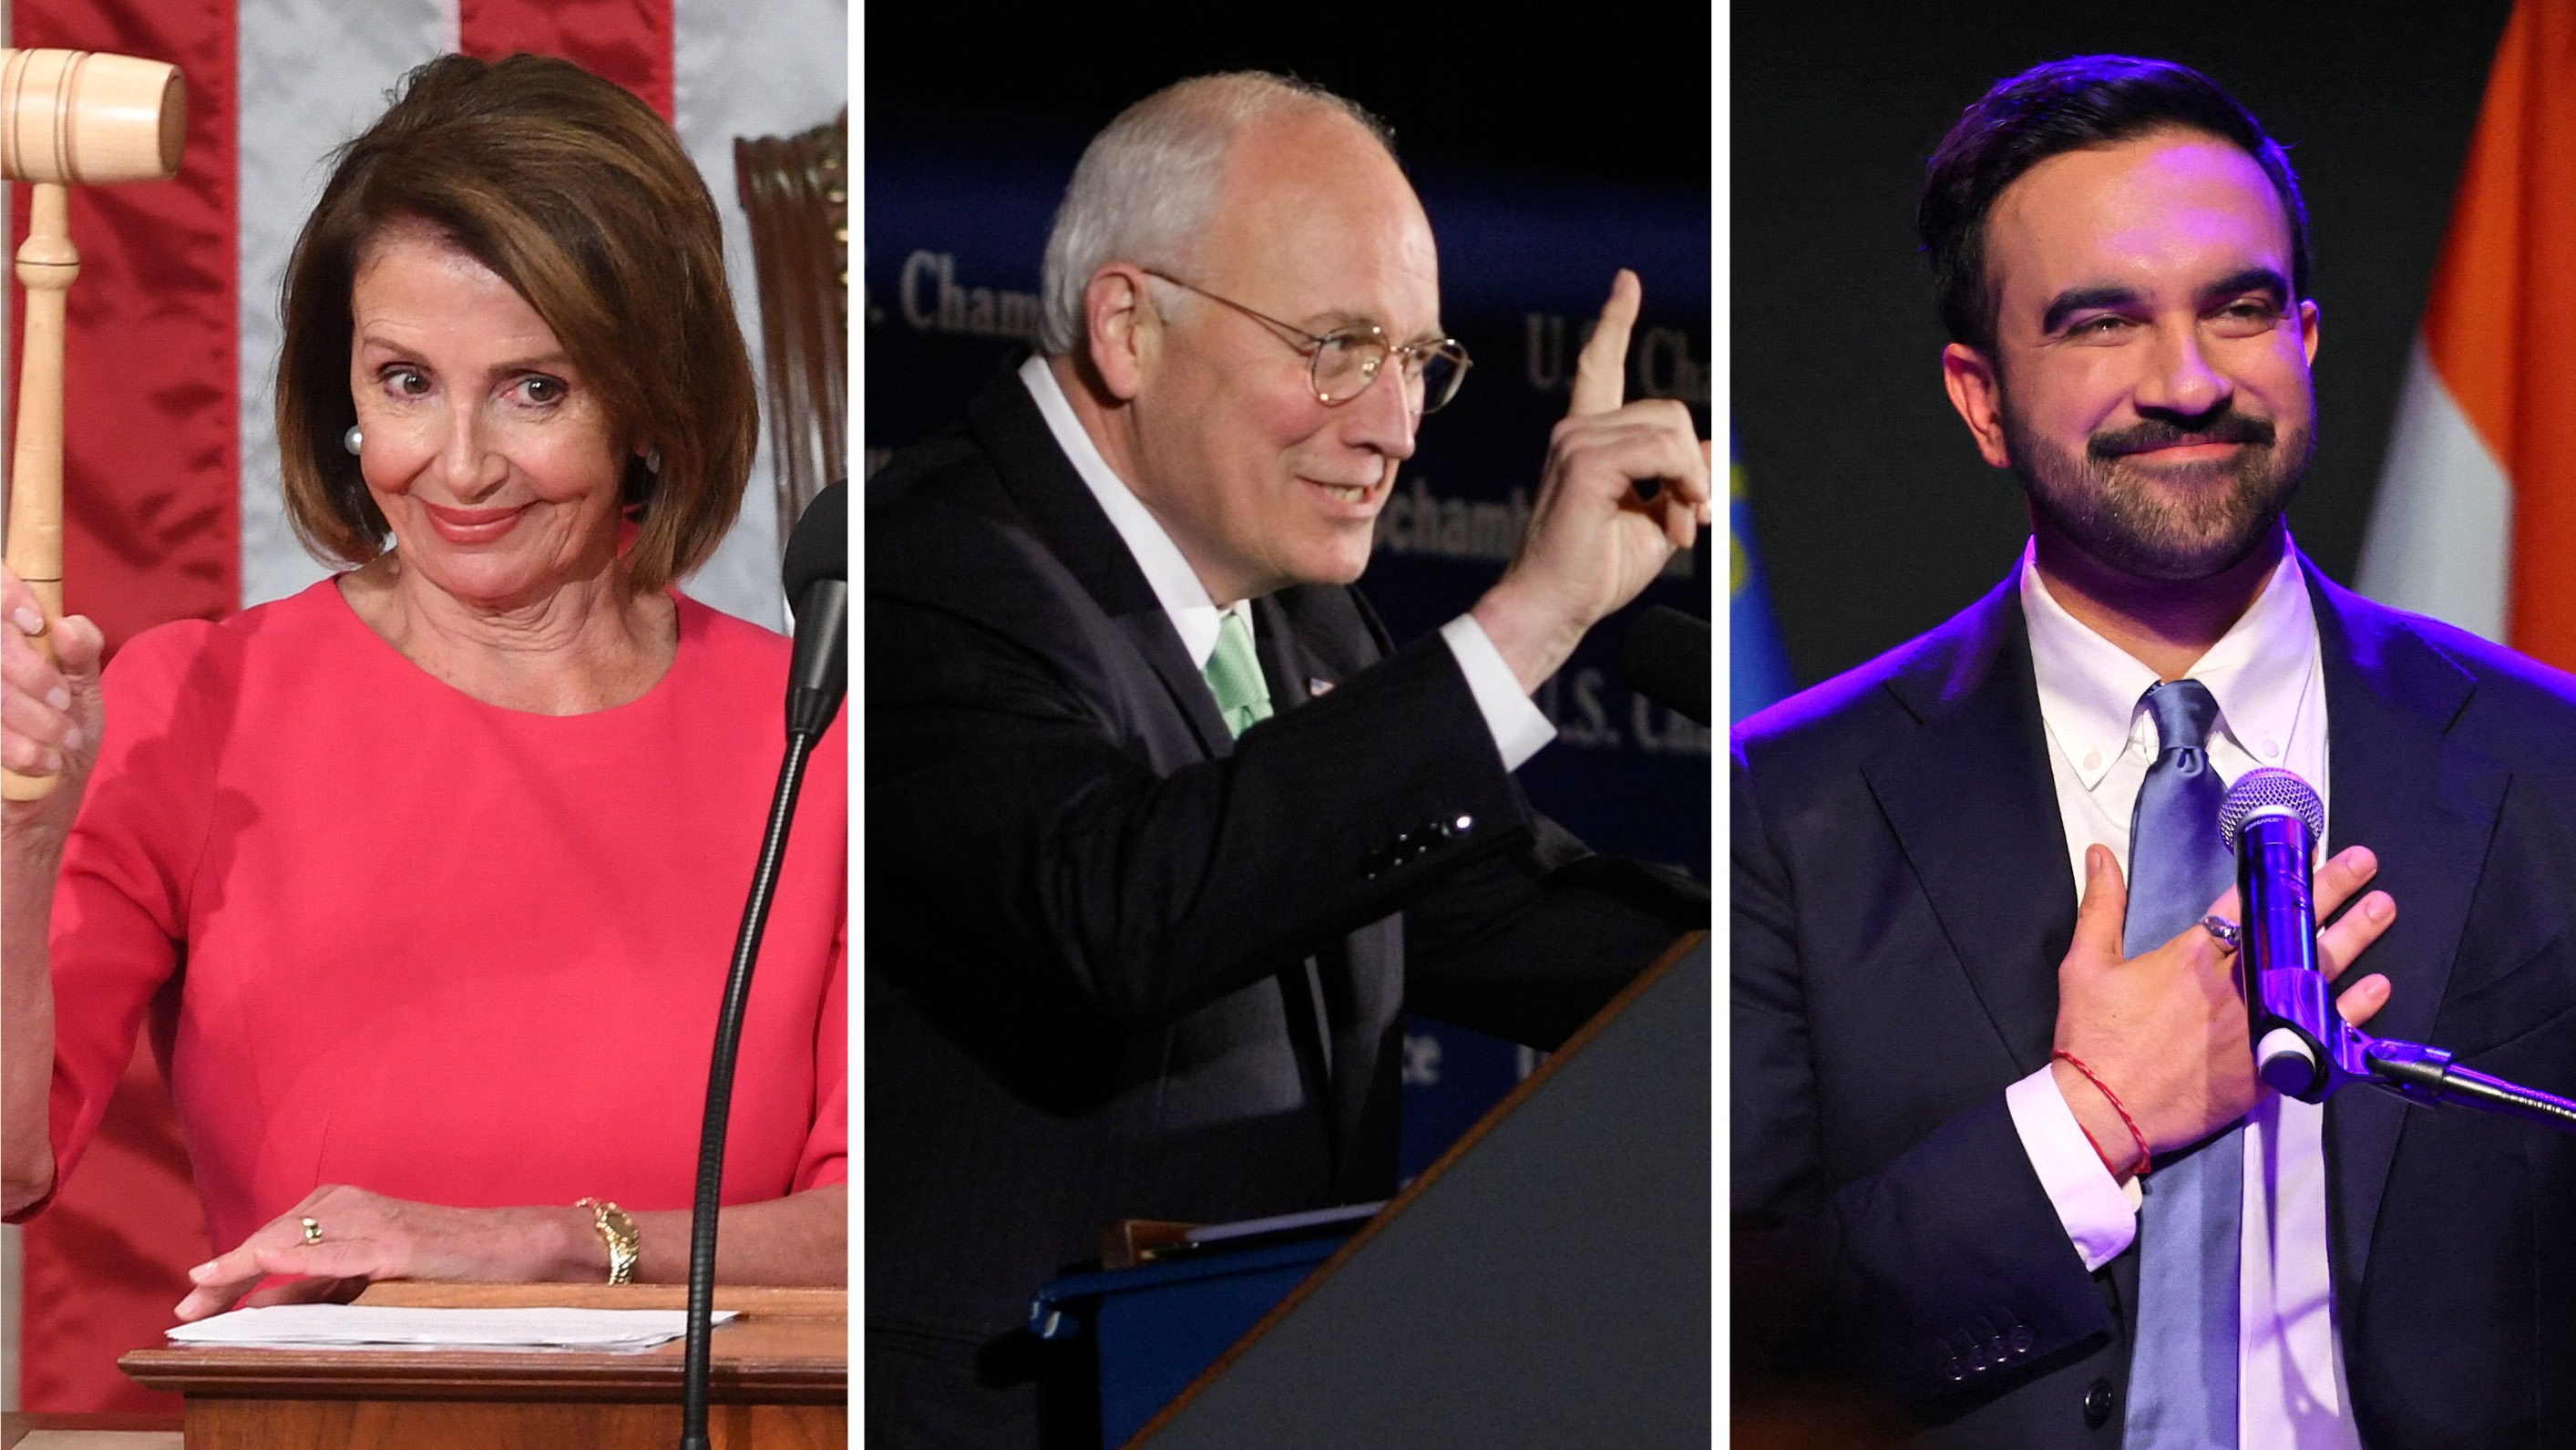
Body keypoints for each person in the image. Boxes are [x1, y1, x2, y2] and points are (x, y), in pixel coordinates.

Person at [1732, 54, 2576, 1448]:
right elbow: (1734, 1350)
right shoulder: (1785, 812)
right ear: (1980, 395)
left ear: (2305, 336)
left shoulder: (2547, 763)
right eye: (2100, 323)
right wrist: (2086, 1125)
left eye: (2238, 309)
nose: (2186, 381)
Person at [867, 72, 1711, 1444]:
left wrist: (1785, 967)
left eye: (1420, 362)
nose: (1392, 425)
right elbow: (1122, 910)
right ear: (1130, 327)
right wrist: (1528, 619)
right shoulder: (925, 569)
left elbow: (1493, 908)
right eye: (1336, 345)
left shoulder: (1304, 615)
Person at [0, 54, 846, 1318]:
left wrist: (547, 1247)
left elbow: (874, 1232)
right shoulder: (193, 703)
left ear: (652, 404)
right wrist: (19, 838)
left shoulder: (819, 740)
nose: (458, 467)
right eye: (406, 381)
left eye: (535, 390)